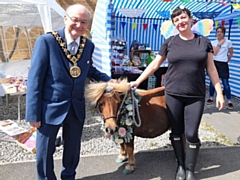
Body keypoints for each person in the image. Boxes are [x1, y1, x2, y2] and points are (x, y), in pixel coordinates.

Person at [129, 7, 225, 180]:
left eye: (183, 18)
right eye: (176, 20)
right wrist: (137, 81)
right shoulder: (170, 42)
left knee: (191, 134)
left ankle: (190, 170)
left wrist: (219, 92)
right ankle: (181, 166)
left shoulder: (204, 42)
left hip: (195, 95)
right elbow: (154, 65)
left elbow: (211, 68)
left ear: (190, 19)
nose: (180, 22)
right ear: (174, 24)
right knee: (176, 131)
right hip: (172, 94)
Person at [26, 4, 114, 180]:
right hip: (49, 107)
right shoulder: (47, 41)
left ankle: (69, 176)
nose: (79, 25)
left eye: (84, 22)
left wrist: (109, 79)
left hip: (75, 107)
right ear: (66, 18)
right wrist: (33, 114)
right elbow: (35, 79)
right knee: (44, 151)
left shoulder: (88, 45)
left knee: (73, 149)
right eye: (75, 20)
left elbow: (87, 70)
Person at [206, 26, 234, 109]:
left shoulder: (228, 42)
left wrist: (227, 59)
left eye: (221, 32)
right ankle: (211, 97)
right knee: (212, 82)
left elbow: (231, 52)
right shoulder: (213, 42)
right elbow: (214, 53)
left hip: (223, 64)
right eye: (217, 32)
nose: (219, 33)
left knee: (226, 83)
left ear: (224, 33)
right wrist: (220, 43)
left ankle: (229, 100)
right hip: (215, 63)